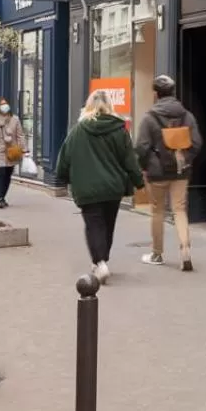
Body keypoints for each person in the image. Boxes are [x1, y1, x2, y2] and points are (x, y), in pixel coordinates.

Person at [55, 90, 143, 284]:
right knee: (108, 225)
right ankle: (102, 259)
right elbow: (129, 160)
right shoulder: (119, 129)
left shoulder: (78, 130)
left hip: (87, 188)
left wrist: (61, 177)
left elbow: (64, 157)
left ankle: (100, 261)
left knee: (94, 225)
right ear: (110, 105)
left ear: (88, 106)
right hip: (113, 188)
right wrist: (139, 182)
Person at [136, 75, 201, 272]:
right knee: (179, 210)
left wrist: (145, 165)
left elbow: (141, 147)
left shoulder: (150, 117)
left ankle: (157, 253)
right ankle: (185, 249)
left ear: (156, 94)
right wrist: (185, 158)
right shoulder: (187, 116)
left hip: (157, 173)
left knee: (157, 211)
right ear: (173, 93)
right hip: (181, 171)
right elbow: (197, 143)